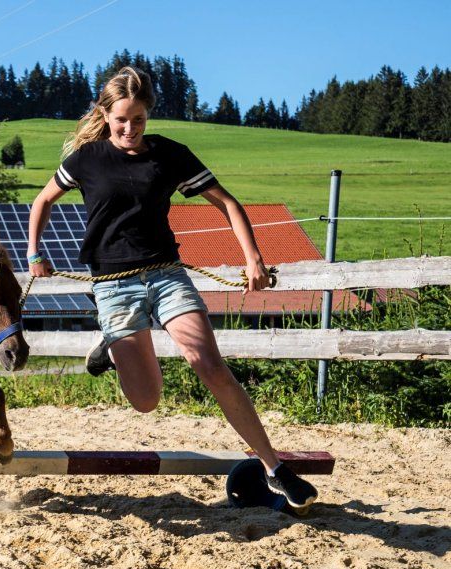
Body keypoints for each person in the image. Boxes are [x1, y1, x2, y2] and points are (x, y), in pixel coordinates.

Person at [26, 66, 317, 509]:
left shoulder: (169, 155)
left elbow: (227, 202)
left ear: (148, 117)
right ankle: (108, 337)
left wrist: (253, 256)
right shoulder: (86, 160)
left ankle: (276, 469)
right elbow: (42, 200)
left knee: (209, 364)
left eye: (138, 120)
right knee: (146, 401)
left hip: (166, 275)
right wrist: (33, 254)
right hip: (112, 285)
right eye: (121, 120)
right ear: (105, 115)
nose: (130, 129)